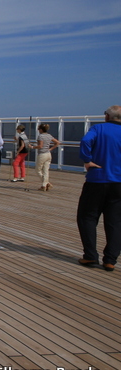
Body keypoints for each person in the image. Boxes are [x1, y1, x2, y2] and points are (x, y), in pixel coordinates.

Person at [77, 106, 121, 271]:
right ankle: (110, 260)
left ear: (107, 117)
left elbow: (86, 141)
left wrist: (87, 160)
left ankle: (90, 256)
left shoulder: (99, 128)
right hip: (119, 183)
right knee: (115, 222)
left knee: (87, 217)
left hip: (97, 180)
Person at [35, 123, 60, 191]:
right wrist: (51, 149)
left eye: (39, 129)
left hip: (42, 154)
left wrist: (32, 147)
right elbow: (57, 142)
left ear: (41, 129)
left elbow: (40, 146)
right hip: (48, 154)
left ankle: (46, 183)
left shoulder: (41, 136)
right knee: (46, 171)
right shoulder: (49, 135)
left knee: (38, 170)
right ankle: (44, 185)